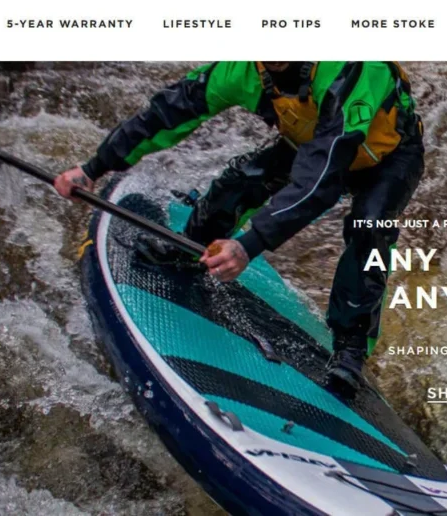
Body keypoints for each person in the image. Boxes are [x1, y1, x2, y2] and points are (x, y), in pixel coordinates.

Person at [54, 62, 424, 393]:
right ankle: (191, 248)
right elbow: (167, 113)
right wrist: (92, 168)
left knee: (370, 228)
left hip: (388, 158)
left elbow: (321, 180)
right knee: (242, 179)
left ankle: (351, 349)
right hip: (314, 143)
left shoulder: (353, 68)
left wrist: (249, 245)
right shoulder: (241, 69)